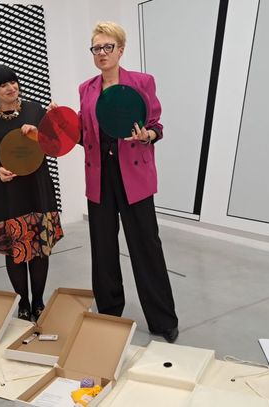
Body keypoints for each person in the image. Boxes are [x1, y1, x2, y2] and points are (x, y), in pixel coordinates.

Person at [78, 22, 179, 342]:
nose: (102, 53)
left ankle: (163, 320)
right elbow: (84, 134)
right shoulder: (86, 88)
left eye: (108, 47)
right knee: (103, 248)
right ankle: (109, 314)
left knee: (146, 245)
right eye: (96, 48)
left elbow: (156, 125)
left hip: (134, 175)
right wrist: (60, 123)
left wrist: (147, 135)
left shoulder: (141, 82)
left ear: (120, 50)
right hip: (100, 176)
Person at [0, 65, 63, 321]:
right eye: (3, 85)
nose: (11, 88)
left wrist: (45, 127)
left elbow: (55, 146)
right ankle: (23, 303)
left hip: (38, 189)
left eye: (13, 82)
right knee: (16, 252)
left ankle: (39, 301)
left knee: (40, 249)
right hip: (7, 193)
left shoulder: (35, 110)